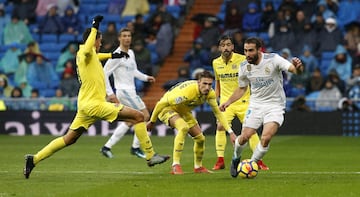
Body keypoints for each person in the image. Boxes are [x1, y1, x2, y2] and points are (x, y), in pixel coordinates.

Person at [23, 15, 170, 179]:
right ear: (93, 40)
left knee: (69, 139)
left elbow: (97, 55)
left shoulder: (91, 56)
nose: (100, 44)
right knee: (138, 116)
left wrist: (113, 56)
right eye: (99, 41)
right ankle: (150, 156)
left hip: (86, 105)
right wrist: (95, 26)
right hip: (94, 104)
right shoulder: (83, 53)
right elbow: (88, 49)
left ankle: (34, 159)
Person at [218, 37, 303, 178]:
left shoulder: (273, 59)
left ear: (259, 49)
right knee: (244, 137)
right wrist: (228, 102)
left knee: (266, 137)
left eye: (250, 50)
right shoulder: (244, 66)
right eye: (245, 50)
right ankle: (235, 158)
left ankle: (252, 163)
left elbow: (294, 70)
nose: (247, 54)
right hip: (256, 105)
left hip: (275, 106)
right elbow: (241, 88)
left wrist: (298, 67)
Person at [147, 70, 236, 175]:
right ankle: (175, 165)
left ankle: (198, 167)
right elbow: (160, 104)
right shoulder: (186, 93)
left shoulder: (210, 93)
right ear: (198, 82)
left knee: (200, 138)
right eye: (204, 84)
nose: (207, 87)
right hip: (167, 109)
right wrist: (152, 121)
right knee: (183, 127)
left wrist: (230, 132)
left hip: (184, 110)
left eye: (209, 84)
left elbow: (219, 114)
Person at [211, 35, 269, 171]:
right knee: (220, 126)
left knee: (251, 130)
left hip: (244, 101)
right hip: (226, 103)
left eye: (229, 45)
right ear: (219, 48)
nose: (226, 47)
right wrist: (215, 99)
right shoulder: (215, 63)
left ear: (233, 47)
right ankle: (220, 160)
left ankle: (258, 160)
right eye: (223, 45)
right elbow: (218, 82)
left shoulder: (243, 59)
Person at [100, 27, 156, 159]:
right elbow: (104, 74)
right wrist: (110, 93)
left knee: (130, 121)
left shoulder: (130, 52)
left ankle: (107, 147)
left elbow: (134, 71)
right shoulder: (116, 55)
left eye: (128, 36)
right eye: (124, 36)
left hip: (129, 90)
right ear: (119, 38)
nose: (126, 38)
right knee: (145, 116)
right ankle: (135, 148)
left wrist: (146, 77)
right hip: (124, 91)